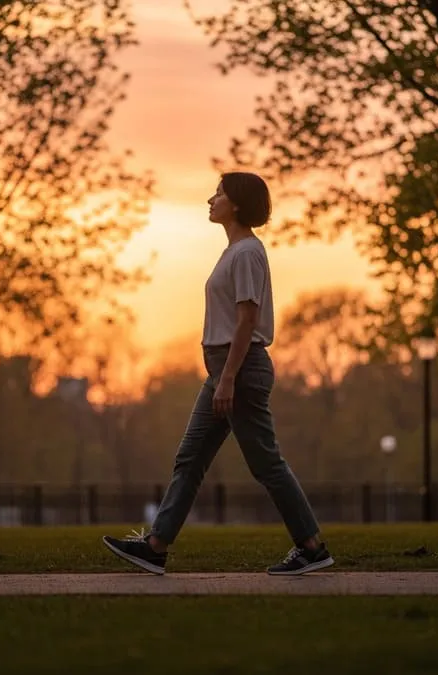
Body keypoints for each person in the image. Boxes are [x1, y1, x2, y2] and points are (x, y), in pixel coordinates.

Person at [102, 172, 334, 576]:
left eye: (220, 194)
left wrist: (227, 378)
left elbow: (247, 320)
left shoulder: (246, 253)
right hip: (224, 370)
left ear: (238, 204)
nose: (211, 200)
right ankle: (155, 547)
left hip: (238, 370)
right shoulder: (234, 252)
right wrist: (220, 375)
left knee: (266, 463)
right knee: (190, 459)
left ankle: (312, 547)